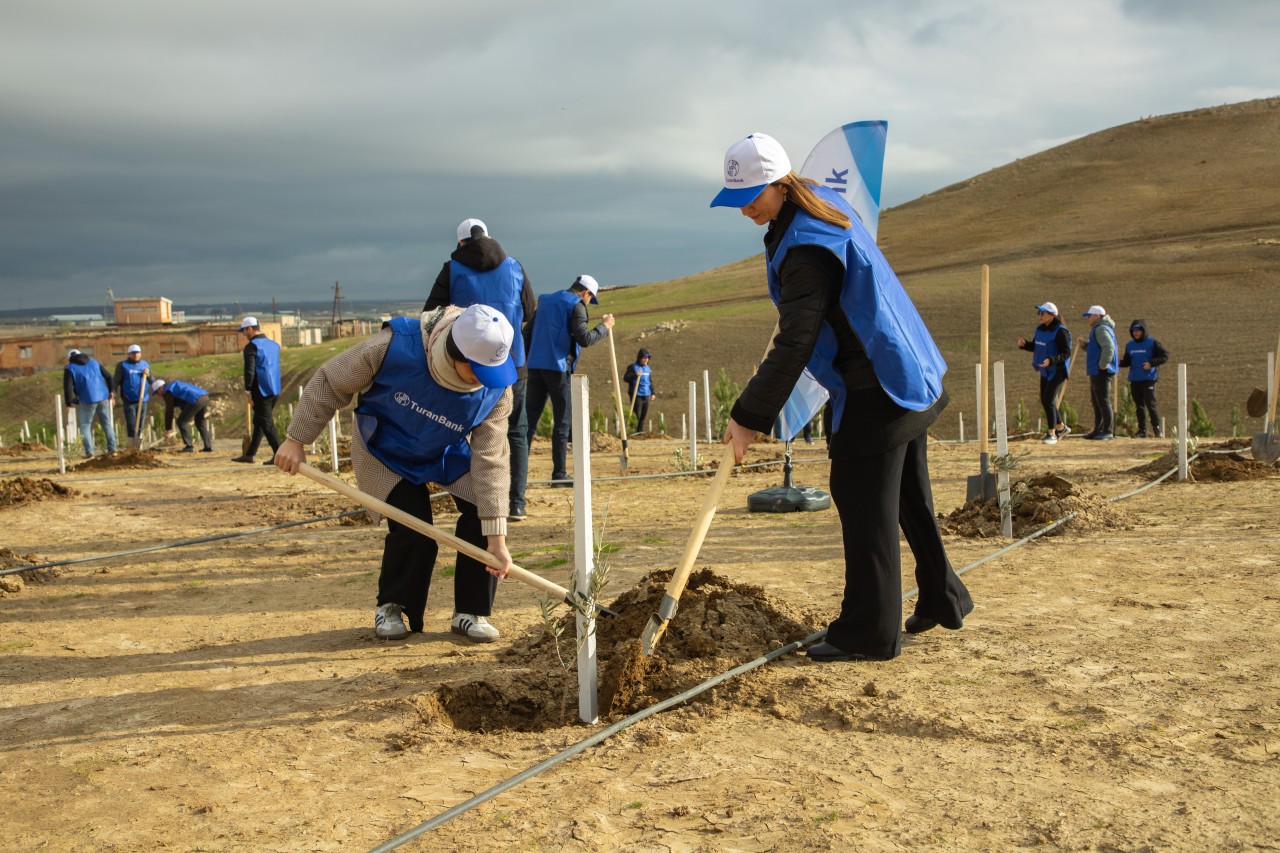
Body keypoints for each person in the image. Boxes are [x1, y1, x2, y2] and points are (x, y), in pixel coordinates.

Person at [711, 132, 972, 663]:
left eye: (751, 197)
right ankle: (943, 596)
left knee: (861, 501)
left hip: (878, 382)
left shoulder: (808, 244)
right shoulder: (819, 204)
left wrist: (747, 416)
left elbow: (796, 340)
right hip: (905, 365)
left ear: (780, 184)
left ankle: (868, 632)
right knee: (908, 497)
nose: (744, 209)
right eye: (737, 199)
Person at [272, 304, 517, 642]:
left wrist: (497, 539)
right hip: (384, 448)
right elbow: (331, 382)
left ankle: (470, 611)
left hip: (443, 451)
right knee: (413, 526)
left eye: (490, 371)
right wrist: (296, 439)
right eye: (475, 370)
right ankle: (393, 605)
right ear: (453, 351)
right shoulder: (393, 346)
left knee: (482, 515)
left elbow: (491, 459)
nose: (482, 379)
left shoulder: (497, 390)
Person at [424, 218, 537, 521]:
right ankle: (516, 502)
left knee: (464, 432)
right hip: (511, 364)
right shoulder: (514, 267)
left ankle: (474, 503)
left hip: (466, 367)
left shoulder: (452, 269)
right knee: (516, 433)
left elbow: (431, 315)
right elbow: (529, 311)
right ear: (489, 237)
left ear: (460, 243)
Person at [523, 275, 615, 488]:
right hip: (558, 369)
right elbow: (585, 339)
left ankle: (516, 474)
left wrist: (528, 360)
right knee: (562, 422)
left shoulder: (545, 300)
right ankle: (559, 474)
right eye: (590, 299)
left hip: (535, 366)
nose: (589, 302)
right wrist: (604, 326)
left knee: (528, 422)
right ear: (586, 292)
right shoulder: (577, 305)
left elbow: (527, 332)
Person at [1016, 302, 1072, 444]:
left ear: (1052, 315)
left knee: (1049, 400)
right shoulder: (1040, 330)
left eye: (1043, 313)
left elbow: (1066, 353)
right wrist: (1025, 345)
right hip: (1045, 369)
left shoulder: (1061, 332)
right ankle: (1061, 427)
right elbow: (1036, 346)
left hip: (1058, 370)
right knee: (1045, 399)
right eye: (1039, 313)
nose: (1040, 316)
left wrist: (1052, 360)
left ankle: (1052, 433)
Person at [232, 317, 283, 465]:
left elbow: (249, 370)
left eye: (244, 331)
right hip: (274, 388)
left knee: (266, 422)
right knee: (259, 421)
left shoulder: (252, 347)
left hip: (261, 389)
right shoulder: (273, 345)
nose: (243, 334)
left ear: (250, 329)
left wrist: (248, 390)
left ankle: (280, 454)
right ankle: (250, 454)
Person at [1119, 319, 1169, 438]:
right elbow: (1127, 361)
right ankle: (1142, 430)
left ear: (1143, 331)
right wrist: (1118, 362)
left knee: (1150, 403)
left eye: (1138, 330)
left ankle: (1157, 429)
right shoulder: (1130, 345)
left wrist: (1151, 363)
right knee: (1139, 406)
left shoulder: (1152, 343)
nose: (1135, 333)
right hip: (1134, 379)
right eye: (1133, 330)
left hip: (1149, 378)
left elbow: (1164, 356)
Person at [63, 348, 117, 457]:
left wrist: (68, 403)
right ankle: (112, 449)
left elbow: (68, 387)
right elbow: (108, 376)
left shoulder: (70, 368)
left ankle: (89, 452)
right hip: (103, 397)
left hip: (87, 399)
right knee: (106, 423)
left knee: (85, 426)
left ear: (69, 358)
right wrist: (112, 391)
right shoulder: (94, 362)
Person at [1078, 305, 1118, 440]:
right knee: (1097, 401)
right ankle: (1099, 429)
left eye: (1089, 315)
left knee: (1103, 401)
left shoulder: (1100, 328)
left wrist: (1103, 364)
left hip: (1101, 371)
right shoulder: (1100, 328)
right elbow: (1096, 348)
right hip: (1097, 370)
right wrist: (1085, 345)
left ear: (1097, 316)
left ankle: (1107, 431)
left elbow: (1108, 347)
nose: (1088, 318)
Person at [153, 378, 214, 453]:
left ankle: (189, 446)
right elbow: (184, 404)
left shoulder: (168, 392)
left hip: (196, 399)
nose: (157, 395)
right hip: (204, 396)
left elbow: (169, 410)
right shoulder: (173, 386)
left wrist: (168, 429)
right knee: (199, 421)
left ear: (160, 388)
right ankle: (208, 447)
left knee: (181, 422)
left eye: (156, 392)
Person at [113, 344, 151, 441]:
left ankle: (139, 441)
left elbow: (152, 380)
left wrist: (148, 374)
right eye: (133, 353)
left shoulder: (145, 365)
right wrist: (113, 393)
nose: (135, 355)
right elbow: (116, 381)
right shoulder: (122, 365)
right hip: (129, 398)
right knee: (131, 423)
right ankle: (131, 441)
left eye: (137, 353)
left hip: (143, 398)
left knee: (141, 423)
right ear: (129, 354)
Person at [622, 348, 655, 431]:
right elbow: (625, 378)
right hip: (636, 395)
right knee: (637, 415)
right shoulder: (633, 367)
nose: (646, 360)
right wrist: (635, 375)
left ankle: (640, 433)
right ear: (640, 358)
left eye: (647, 358)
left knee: (643, 416)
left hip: (646, 394)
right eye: (644, 358)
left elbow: (649, 381)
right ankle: (633, 431)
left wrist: (653, 392)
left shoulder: (648, 368)